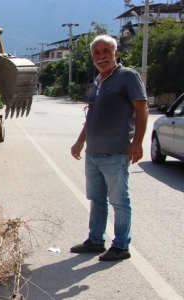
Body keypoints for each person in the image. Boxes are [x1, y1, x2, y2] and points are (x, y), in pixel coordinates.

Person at [69, 35, 148, 261]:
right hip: (93, 152)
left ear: (116, 53)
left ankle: (121, 245)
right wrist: (80, 141)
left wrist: (137, 142)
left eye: (106, 51)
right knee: (97, 198)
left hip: (115, 152)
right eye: (96, 52)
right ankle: (95, 240)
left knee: (119, 201)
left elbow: (142, 109)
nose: (101, 56)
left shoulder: (128, 77)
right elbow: (92, 114)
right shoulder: (99, 80)